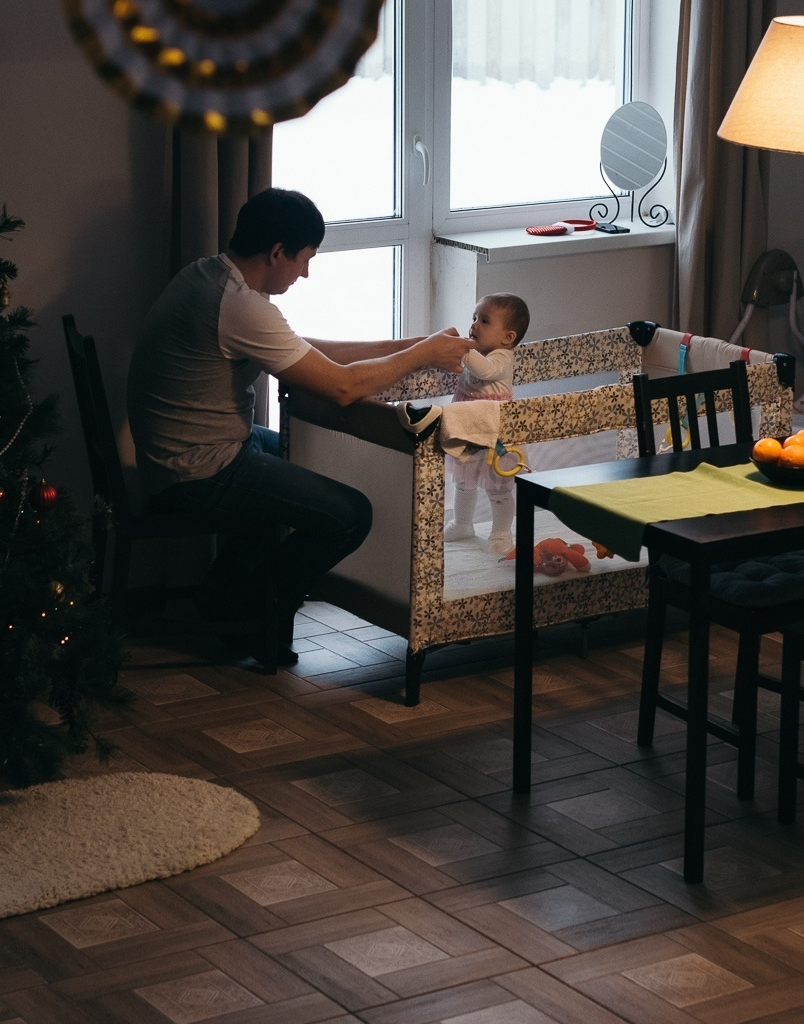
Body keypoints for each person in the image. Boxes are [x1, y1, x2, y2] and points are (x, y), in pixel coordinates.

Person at [127, 188, 471, 666]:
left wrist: (415, 342)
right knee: (350, 514)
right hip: (198, 469)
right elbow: (344, 387)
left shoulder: (209, 275)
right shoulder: (240, 305)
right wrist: (424, 354)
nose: (305, 273)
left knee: (305, 464)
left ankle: (227, 598)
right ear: (276, 253)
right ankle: (252, 614)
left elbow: (309, 351)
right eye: (305, 260)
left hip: (190, 452)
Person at [441, 294, 530, 553]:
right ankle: (462, 523)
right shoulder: (477, 353)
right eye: (474, 318)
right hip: (468, 430)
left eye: (485, 320)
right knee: (464, 481)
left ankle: (501, 532)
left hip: (496, 437)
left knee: (499, 486)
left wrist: (463, 350)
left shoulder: (502, 357)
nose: (475, 325)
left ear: (507, 337)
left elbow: (486, 371)